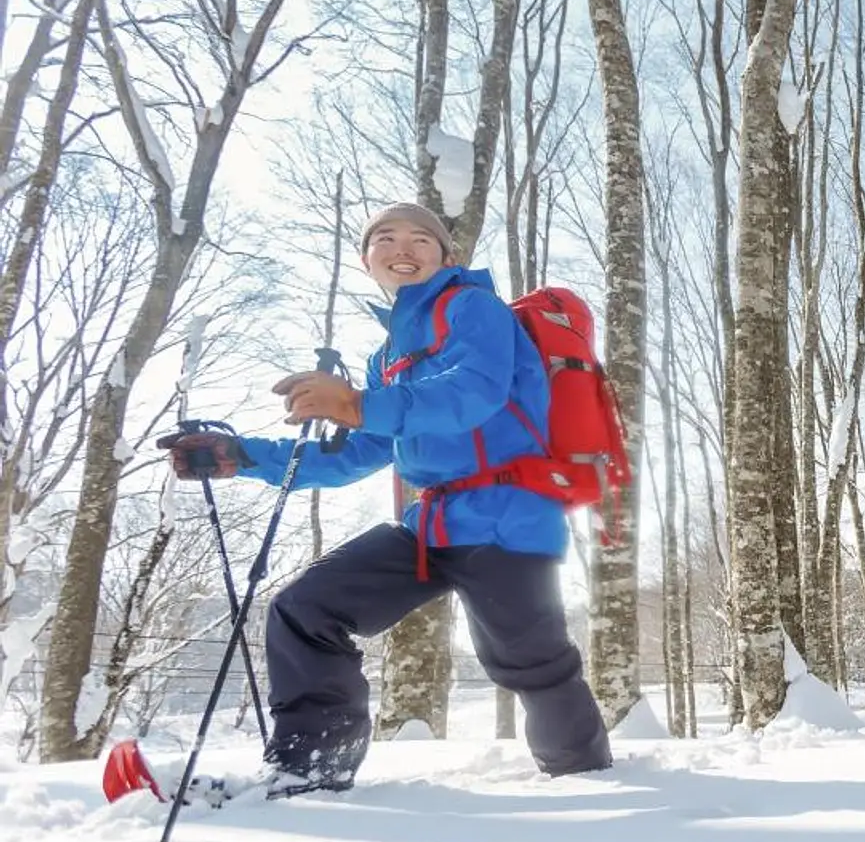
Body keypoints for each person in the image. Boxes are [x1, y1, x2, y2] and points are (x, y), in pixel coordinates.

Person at [158, 202, 612, 794]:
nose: (404, 248)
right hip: (430, 524)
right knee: (306, 608)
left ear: (447, 257)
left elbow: (473, 395)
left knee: (528, 659)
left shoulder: (476, 309)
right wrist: (242, 456)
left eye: (422, 239)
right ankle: (312, 766)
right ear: (368, 259)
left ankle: (585, 780)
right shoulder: (387, 356)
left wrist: (353, 403)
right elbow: (357, 453)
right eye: (386, 239)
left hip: (509, 515)